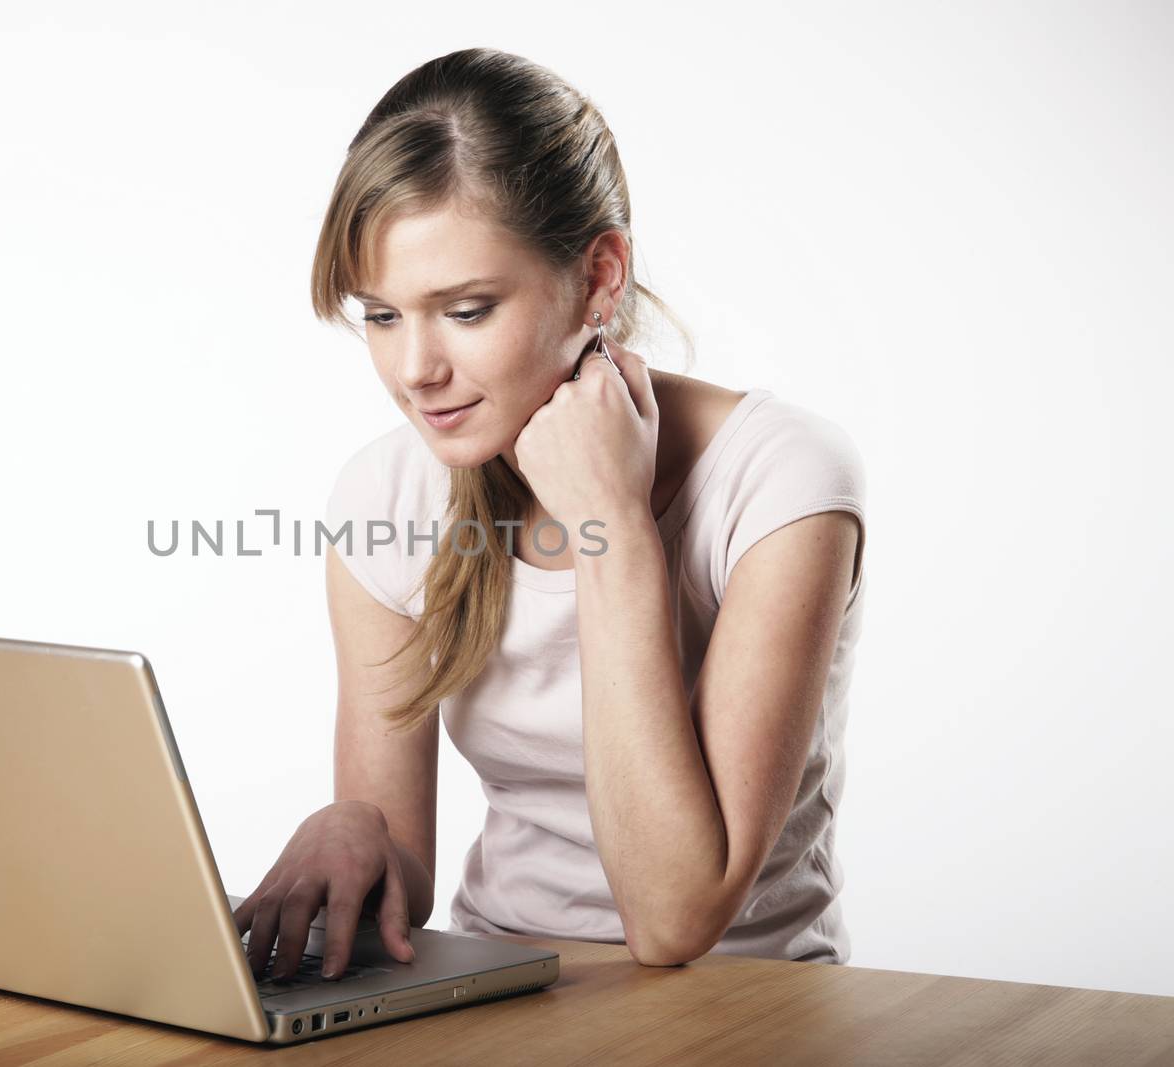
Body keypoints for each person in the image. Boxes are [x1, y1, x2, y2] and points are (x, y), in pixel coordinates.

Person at [232, 47, 867, 984]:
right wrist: (353, 831)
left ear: (601, 276)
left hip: (750, 1000)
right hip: (505, 985)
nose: (415, 371)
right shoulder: (387, 496)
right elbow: (403, 874)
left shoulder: (779, 483)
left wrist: (612, 521)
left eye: (467, 309)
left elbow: (676, 917)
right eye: (382, 316)